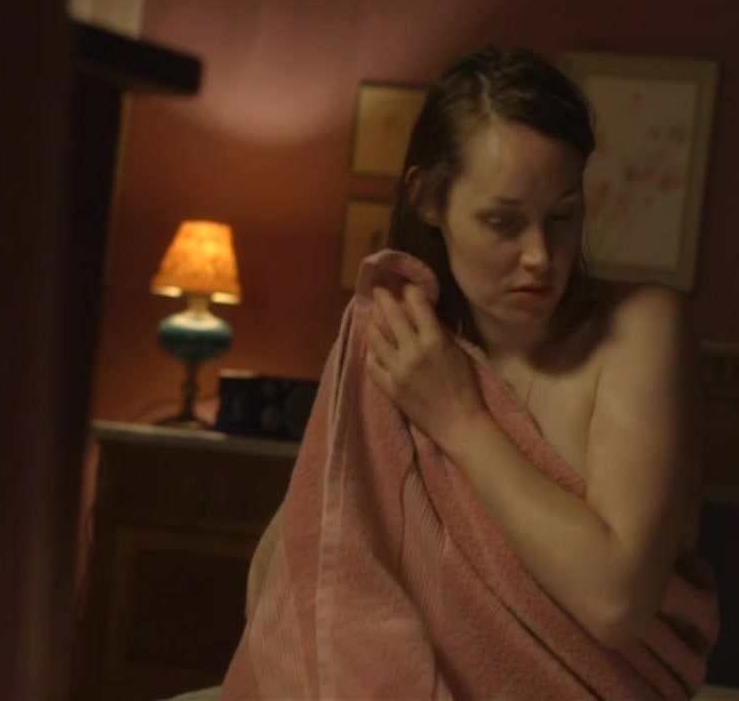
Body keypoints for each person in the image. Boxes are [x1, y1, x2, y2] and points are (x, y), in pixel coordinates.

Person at [245, 43, 702, 655]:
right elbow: (284, 580)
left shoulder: (640, 329)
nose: (540, 256)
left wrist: (461, 420)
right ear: (429, 200)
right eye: (503, 222)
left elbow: (616, 602)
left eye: (562, 217)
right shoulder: (399, 342)